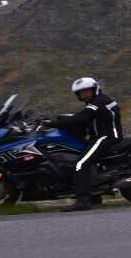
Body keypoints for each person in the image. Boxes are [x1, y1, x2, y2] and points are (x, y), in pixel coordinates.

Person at [47, 77, 122, 211]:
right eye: (81, 93)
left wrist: (52, 123)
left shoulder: (100, 101)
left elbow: (82, 117)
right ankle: (95, 196)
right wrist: (61, 119)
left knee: (80, 164)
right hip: (99, 137)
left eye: (86, 91)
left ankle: (83, 201)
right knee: (86, 161)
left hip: (106, 137)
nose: (84, 94)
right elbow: (83, 117)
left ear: (94, 89)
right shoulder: (94, 102)